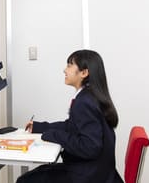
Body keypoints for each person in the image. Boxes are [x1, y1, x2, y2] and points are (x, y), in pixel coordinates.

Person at [18, 49, 123, 183]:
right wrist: (40, 127)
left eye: (69, 65)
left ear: (84, 73)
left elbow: (90, 147)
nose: (64, 70)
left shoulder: (84, 102)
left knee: (25, 180)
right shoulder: (88, 97)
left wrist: (54, 135)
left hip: (89, 175)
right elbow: (71, 125)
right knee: (35, 175)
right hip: (98, 172)